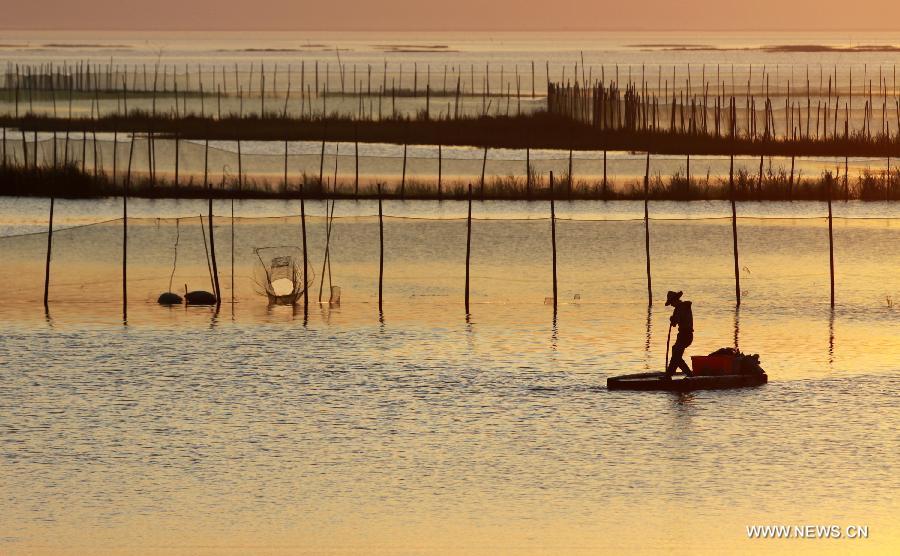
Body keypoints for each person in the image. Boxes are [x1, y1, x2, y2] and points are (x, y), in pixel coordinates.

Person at [665, 290, 693, 377]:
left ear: (675, 300)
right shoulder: (684, 306)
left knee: (676, 355)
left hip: (684, 335)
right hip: (686, 335)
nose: (671, 305)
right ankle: (689, 374)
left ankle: (668, 375)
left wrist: (671, 319)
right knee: (676, 354)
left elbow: (674, 323)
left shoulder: (679, 308)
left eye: (671, 303)